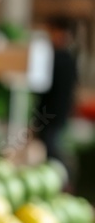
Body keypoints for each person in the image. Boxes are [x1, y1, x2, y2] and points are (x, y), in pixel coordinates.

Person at [36, 16, 78, 164]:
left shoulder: (61, 59)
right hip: (53, 114)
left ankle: (62, 176)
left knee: (52, 149)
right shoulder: (64, 58)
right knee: (51, 147)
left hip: (53, 114)